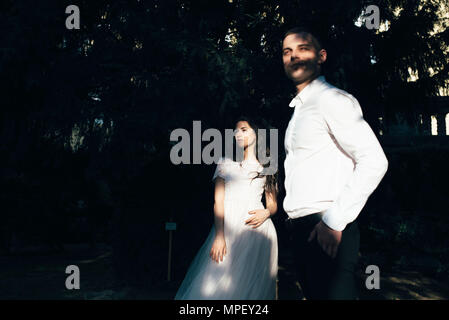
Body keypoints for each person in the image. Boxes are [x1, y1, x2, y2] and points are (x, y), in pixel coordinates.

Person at [281, 27, 389, 299]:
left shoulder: (332, 100)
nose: (294, 56)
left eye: (302, 49)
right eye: (287, 52)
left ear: (321, 56)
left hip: (328, 227)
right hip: (301, 229)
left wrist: (333, 222)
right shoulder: (300, 109)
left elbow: (374, 161)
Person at [175, 116, 279, 300]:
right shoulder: (225, 162)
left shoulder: (268, 164)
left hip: (257, 232)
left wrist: (266, 212)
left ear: (256, 133)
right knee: (213, 285)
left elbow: (272, 204)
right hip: (228, 231)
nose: (238, 133)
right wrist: (220, 235)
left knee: (249, 291)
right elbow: (218, 201)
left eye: (244, 129)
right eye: (236, 130)